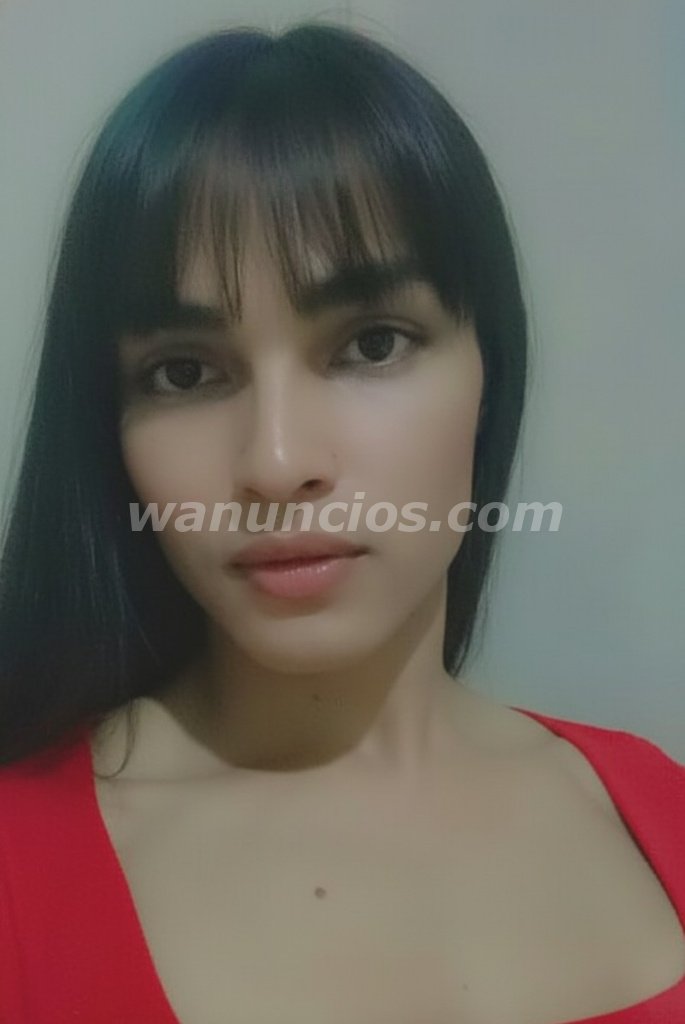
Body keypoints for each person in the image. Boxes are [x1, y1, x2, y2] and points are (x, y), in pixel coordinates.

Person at [0, 20, 683, 1024]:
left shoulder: (659, 808)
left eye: (370, 345)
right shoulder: (20, 872)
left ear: (490, 372)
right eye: (183, 372)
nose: (277, 462)